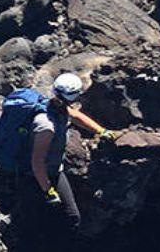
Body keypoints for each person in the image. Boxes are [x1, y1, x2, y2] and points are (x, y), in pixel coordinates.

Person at [18, 73, 119, 241]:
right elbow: (37, 162)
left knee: (67, 218)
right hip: (35, 176)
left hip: (53, 169)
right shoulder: (46, 126)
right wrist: (48, 190)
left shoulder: (57, 107)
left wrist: (101, 131)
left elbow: (76, 116)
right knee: (60, 219)